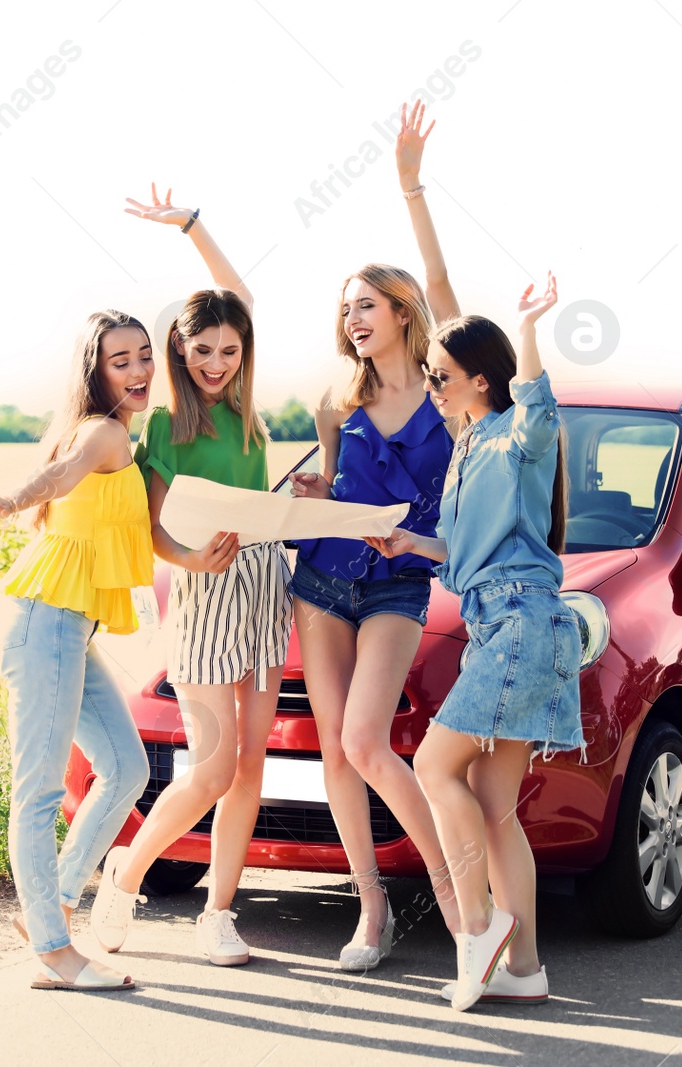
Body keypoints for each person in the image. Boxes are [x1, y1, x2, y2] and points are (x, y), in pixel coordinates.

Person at [367, 273, 582, 1011]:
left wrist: (528, 331)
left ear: (482, 381)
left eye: (442, 377)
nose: (432, 387)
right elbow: (462, 559)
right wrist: (410, 544)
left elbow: (540, 408)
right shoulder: (467, 450)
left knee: (431, 764)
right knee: (493, 806)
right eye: (429, 376)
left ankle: (479, 927)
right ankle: (524, 967)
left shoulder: (516, 436)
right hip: (504, 622)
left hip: (521, 624)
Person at [89, 188, 291, 967]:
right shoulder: (168, 424)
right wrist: (190, 559)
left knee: (250, 762)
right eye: (201, 351)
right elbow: (152, 530)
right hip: (206, 591)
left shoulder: (247, 413)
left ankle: (219, 910)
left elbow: (239, 298)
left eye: (229, 352)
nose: (216, 364)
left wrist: (195, 228)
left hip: (265, 583)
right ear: (181, 350)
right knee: (211, 762)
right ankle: (127, 871)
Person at [287, 101, 463, 970]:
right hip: (322, 580)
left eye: (368, 305)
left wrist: (410, 187)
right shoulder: (336, 399)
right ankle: (370, 907)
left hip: (397, 584)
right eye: (345, 307)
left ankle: (460, 901)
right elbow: (328, 490)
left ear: (400, 311)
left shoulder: (445, 389)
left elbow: (442, 284)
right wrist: (316, 487)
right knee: (335, 749)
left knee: (367, 739)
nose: (354, 317)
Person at [0, 310, 157, 991]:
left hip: (67, 624)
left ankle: (59, 898)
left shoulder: (121, 434)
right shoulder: (100, 433)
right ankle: (53, 948)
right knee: (38, 790)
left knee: (126, 767)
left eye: (143, 356)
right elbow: (61, 477)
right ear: (96, 373)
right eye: (119, 360)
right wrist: (10, 498)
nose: (136, 371)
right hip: (44, 619)